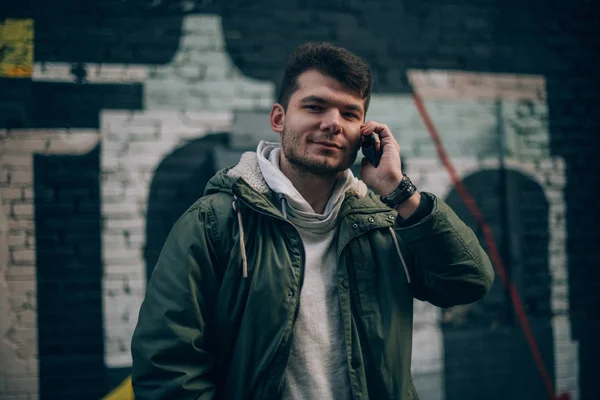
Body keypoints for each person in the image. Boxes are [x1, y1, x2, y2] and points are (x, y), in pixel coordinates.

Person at [131, 42, 495, 400]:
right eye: (315, 106)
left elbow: (468, 282)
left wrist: (398, 190)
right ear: (279, 118)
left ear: (364, 132)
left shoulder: (385, 224)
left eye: (350, 114)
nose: (333, 124)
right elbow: (167, 367)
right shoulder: (217, 222)